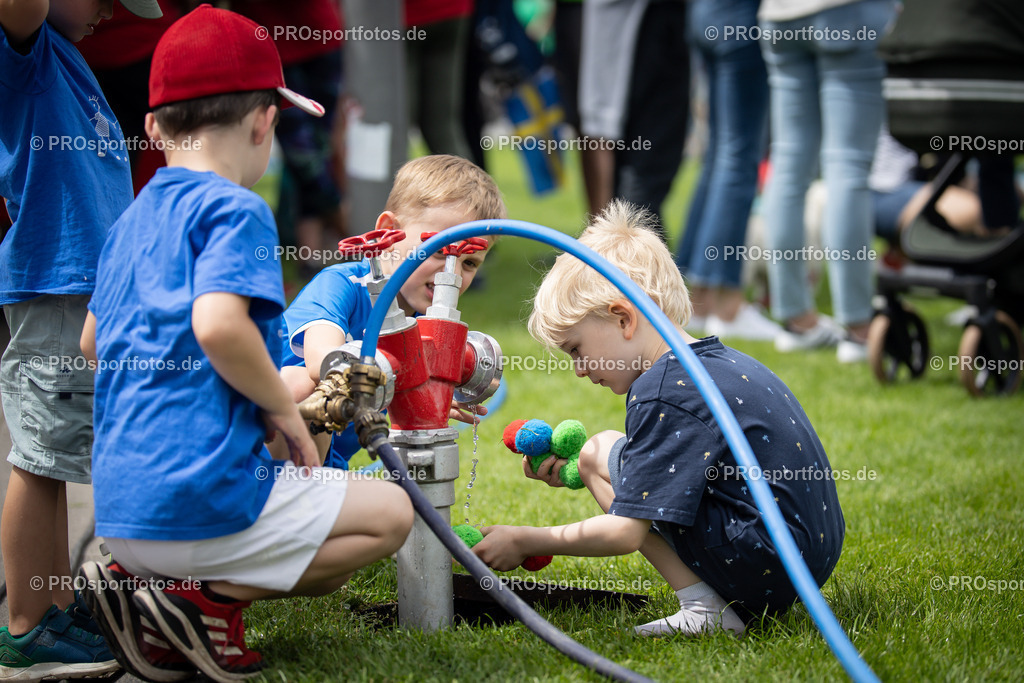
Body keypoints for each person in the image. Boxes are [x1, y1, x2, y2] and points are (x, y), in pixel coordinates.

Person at [76, 8, 413, 683]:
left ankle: (158, 609)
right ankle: (203, 602)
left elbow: (91, 343)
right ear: (266, 122)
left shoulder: (132, 218)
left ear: (151, 126)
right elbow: (221, 326)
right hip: (195, 508)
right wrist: (287, 414)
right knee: (391, 515)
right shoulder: (236, 210)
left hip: (119, 517)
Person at [472, 201, 845, 635]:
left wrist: (524, 540)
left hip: (766, 566)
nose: (577, 368)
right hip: (806, 561)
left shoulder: (662, 390)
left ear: (623, 318)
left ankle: (706, 611)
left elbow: (624, 533)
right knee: (599, 454)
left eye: (576, 349)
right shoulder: (722, 361)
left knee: (597, 451)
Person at [0, 0, 160, 678]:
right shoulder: (26, 51)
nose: (110, 11)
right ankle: (26, 626)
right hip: (52, 283)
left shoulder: (69, 57)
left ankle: (54, 604)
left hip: (82, 290)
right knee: (39, 455)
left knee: (58, 450)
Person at [279, 153, 507, 467]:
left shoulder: (415, 325)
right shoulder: (340, 284)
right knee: (300, 382)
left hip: (328, 464)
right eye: (439, 250)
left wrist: (425, 394)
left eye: (468, 263)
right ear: (389, 231)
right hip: (263, 445)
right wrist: (406, 377)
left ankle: (316, 498)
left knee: (399, 510)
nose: (451, 275)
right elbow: (324, 363)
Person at [758, 0, 897, 362]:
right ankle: (859, 329)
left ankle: (796, 321)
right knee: (847, 167)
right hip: (847, 11)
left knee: (788, 161)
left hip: (780, 14)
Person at [674, 0, 779, 340]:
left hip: (707, 16)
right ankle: (727, 305)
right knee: (738, 158)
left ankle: (700, 303)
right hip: (740, 20)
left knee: (721, 154)